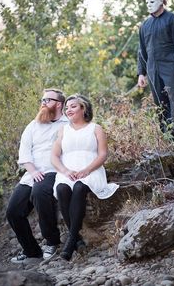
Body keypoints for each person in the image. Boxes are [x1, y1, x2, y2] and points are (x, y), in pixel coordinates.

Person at [51, 93, 119, 261]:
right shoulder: (63, 130)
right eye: (66, 108)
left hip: (91, 169)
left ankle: (71, 240)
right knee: (62, 188)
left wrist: (87, 170)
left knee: (80, 188)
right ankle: (77, 239)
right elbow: (53, 156)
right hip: (67, 170)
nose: (68, 110)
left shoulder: (95, 128)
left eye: (73, 106)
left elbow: (103, 154)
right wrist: (65, 171)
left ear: (84, 108)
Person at [6, 88, 68, 264]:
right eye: (42, 99)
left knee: (40, 193)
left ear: (58, 104)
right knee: (13, 211)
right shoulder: (33, 125)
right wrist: (32, 171)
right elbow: (24, 153)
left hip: (54, 170)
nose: (43, 102)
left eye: (47, 100)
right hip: (32, 173)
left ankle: (51, 241)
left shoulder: (67, 124)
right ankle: (32, 251)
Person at [137, 0, 174, 141]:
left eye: (152, 1)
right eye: (146, 2)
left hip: (172, 66)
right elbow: (141, 50)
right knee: (160, 104)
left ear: (161, 1)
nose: (149, 5)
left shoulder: (173, 19)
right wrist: (141, 73)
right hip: (152, 69)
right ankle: (168, 139)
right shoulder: (144, 25)